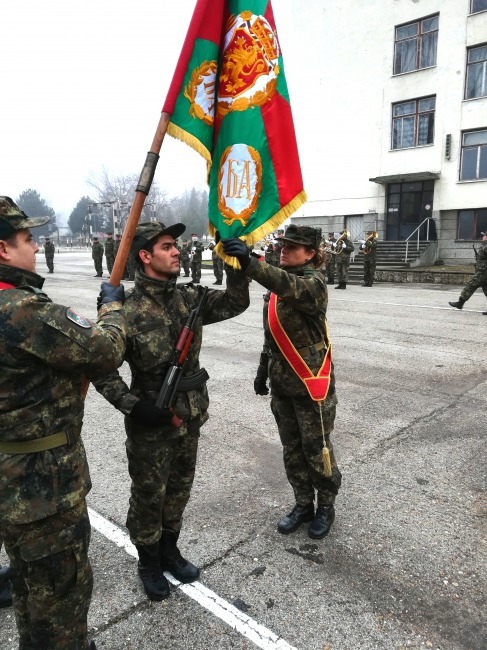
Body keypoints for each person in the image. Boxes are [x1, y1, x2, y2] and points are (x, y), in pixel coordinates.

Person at [93, 221, 250, 602]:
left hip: (190, 415)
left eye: (176, 245)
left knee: (179, 489)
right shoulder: (125, 309)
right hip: (151, 421)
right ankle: (148, 562)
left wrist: (239, 268)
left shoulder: (189, 298)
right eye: (167, 246)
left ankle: (169, 551)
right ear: (145, 256)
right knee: (149, 495)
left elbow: (235, 302)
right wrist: (133, 406)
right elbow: (99, 367)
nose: (176, 250)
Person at [0, 196, 126, 650]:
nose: (36, 248)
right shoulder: (20, 309)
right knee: (62, 595)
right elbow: (104, 350)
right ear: (2, 250)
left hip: (11, 481)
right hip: (43, 486)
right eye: (27, 239)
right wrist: (112, 309)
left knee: (31, 592)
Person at [222, 225, 341, 540]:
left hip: (311, 383)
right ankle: (303, 504)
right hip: (282, 382)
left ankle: (326, 505)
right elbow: (272, 334)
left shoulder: (313, 285)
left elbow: (286, 284)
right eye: (283, 244)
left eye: (292, 246)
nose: (283, 249)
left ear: (310, 254)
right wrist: (263, 368)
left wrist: (250, 262)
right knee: (292, 449)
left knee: (317, 449)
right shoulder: (277, 284)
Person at [449, 231, 487, 315]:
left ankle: (460, 303)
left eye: (484, 236)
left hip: (484, 272)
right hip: (483, 271)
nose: (483, 237)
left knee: (471, 285)